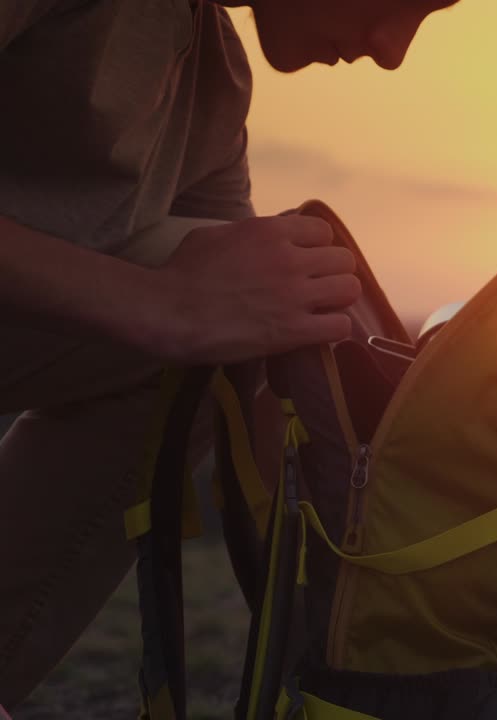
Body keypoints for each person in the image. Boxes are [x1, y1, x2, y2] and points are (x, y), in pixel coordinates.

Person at [0, 0, 469, 707]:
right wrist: (162, 307)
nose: (393, 48)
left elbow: (252, 344)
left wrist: (405, 529)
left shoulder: (210, 77)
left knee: (262, 307)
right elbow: (187, 310)